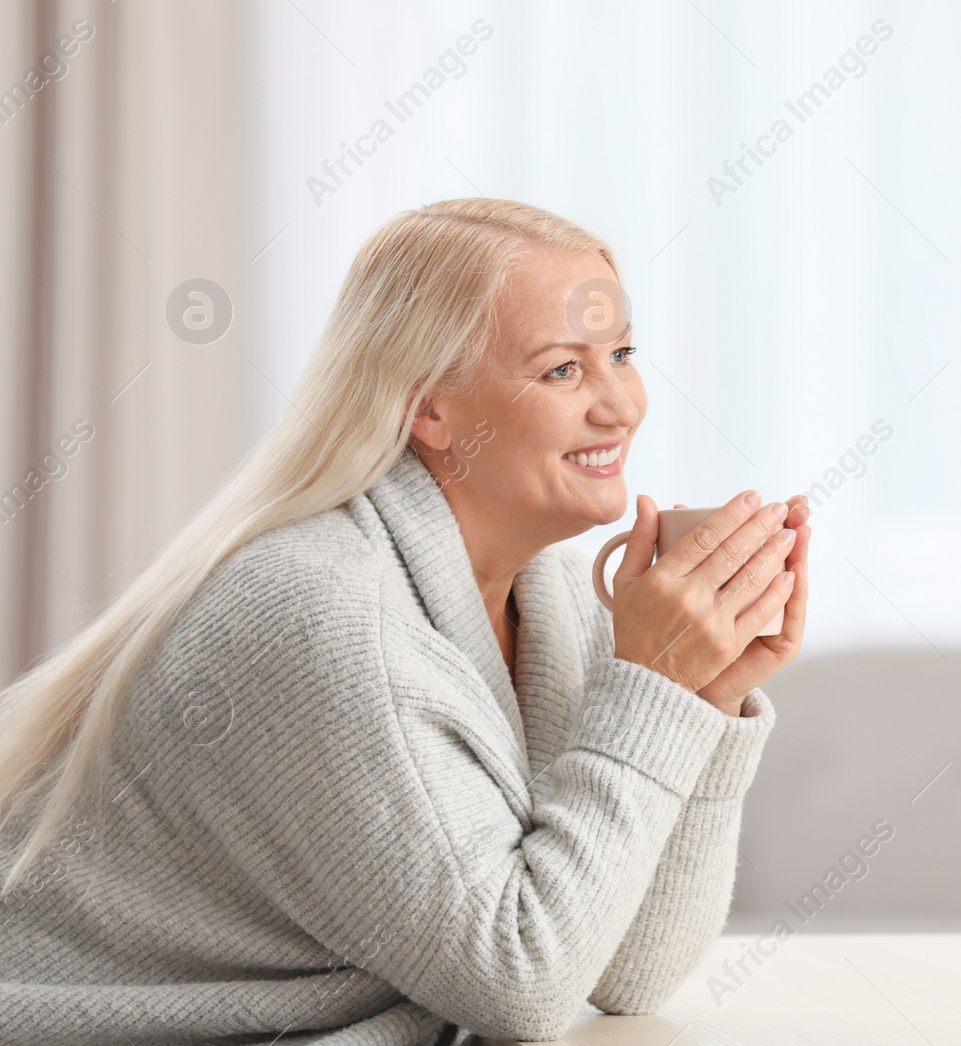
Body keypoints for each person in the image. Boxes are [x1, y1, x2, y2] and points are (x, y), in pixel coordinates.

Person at [0, 199, 812, 1044]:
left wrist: (702, 702)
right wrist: (651, 687)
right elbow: (522, 987)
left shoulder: (561, 600)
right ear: (431, 409)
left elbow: (625, 971)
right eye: (563, 370)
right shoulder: (327, 620)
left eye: (622, 355)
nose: (622, 405)